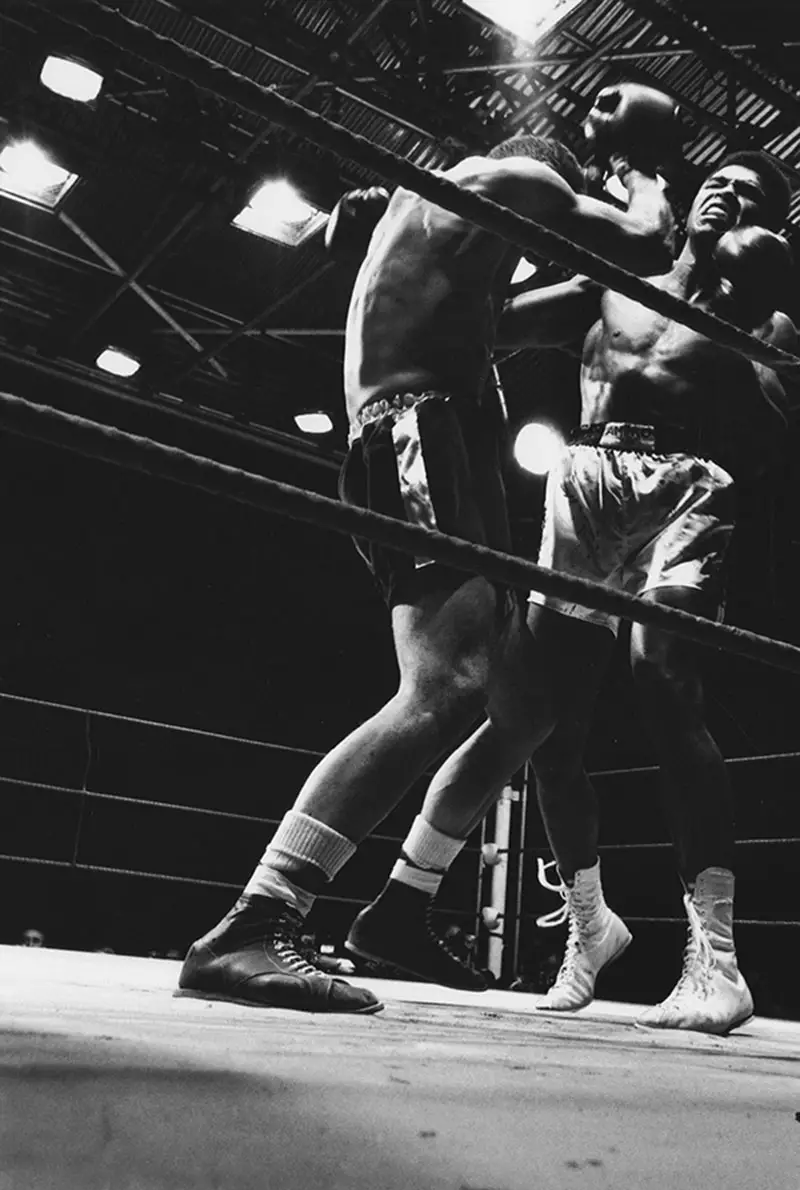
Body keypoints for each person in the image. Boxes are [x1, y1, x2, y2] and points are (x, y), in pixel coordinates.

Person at [176, 84, 677, 1014]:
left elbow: (558, 303)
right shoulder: (510, 175)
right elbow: (641, 243)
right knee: (443, 687)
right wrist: (644, 171)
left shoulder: (453, 237)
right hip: (419, 436)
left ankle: (398, 910)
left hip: (442, 444)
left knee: (523, 703)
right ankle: (256, 916)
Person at [380, 149, 795, 1034]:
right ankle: (590, 924)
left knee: (662, 680)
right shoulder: (610, 279)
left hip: (688, 485)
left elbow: (776, 430)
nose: (730, 191)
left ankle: (716, 959)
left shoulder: (773, 314)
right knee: (541, 725)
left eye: (754, 191)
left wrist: (747, 326)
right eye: (719, 179)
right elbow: (483, 320)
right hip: (586, 478)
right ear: (688, 203)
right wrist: (404, 232)